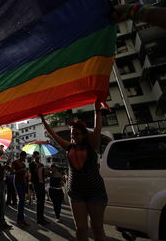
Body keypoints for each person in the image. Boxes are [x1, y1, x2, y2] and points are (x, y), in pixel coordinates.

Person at [41, 100, 107, 241]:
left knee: (97, 228)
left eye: (76, 134)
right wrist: (43, 121)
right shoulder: (69, 147)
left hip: (95, 191)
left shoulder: (92, 146)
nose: (73, 136)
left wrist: (97, 110)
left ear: (83, 135)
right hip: (75, 192)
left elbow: (97, 129)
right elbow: (53, 135)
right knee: (81, 228)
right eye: (72, 134)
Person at [29, 151, 50, 226]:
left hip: (42, 183)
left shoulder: (42, 164)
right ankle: (39, 219)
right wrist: (37, 167)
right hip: (36, 184)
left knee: (42, 201)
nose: (37, 157)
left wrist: (46, 172)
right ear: (34, 157)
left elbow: (43, 174)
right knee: (39, 201)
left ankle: (42, 218)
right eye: (36, 156)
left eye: (38, 156)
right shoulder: (31, 164)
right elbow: (33, 173)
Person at [12, 151, 29, 227]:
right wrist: (20, 171)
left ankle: (22, 219)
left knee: (22, 201)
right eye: (24, 157)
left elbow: (24, 175)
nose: (25, 158)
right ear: (21, 156)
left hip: (22, 182)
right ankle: (19, 220)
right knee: (21, 200)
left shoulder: (24, 164)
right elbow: (11, 172)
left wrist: (25, 181)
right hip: (17, 182)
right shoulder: (14, 162)